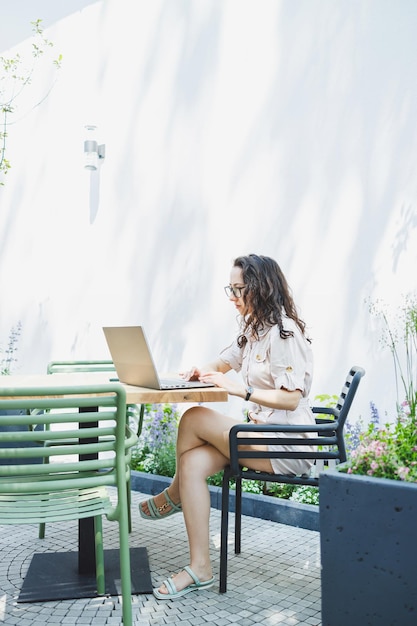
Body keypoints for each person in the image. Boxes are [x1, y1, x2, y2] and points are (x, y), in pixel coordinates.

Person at [139, 254, 314, 600]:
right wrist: (197, 372)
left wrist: (242, 390)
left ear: (261, 289)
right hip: (260, 435)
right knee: (191, 464)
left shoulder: (284, 332)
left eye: (239, 288)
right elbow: (222, 363)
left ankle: (173, 496)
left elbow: (292, 399)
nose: (233, 296)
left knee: (193, 418)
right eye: (230, 288)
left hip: (287, 443)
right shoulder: (251, 329)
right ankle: (201, 568)